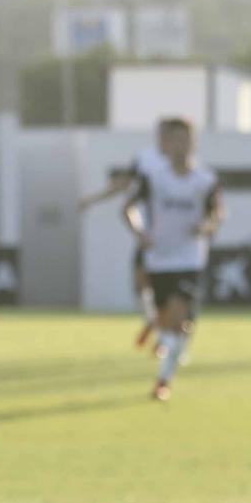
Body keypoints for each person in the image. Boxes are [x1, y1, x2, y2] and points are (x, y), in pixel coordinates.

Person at [124, 117, 222, 402]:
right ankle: (162, 337)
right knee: (171, 325)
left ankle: (163, 382)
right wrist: (140, 232)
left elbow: (216, 214)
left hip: (190, 260)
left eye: (186, 139)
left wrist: (205, 228)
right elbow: (127, 208)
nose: (180, 145)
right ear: (166, 144)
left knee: (179, 318)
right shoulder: (154, 178)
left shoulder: (206, 180)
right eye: (174, 139)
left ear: (193, 143)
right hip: (159, 259)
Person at [81, 118, 176, 351]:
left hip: (175, 239)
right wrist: (92, 199)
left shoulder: (185, 165)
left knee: (171, 293)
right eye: (162, 134)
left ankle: (167, 339)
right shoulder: (145, 159)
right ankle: (153, 322)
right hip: (150, 236)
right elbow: (123, 186)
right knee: (140, 285)